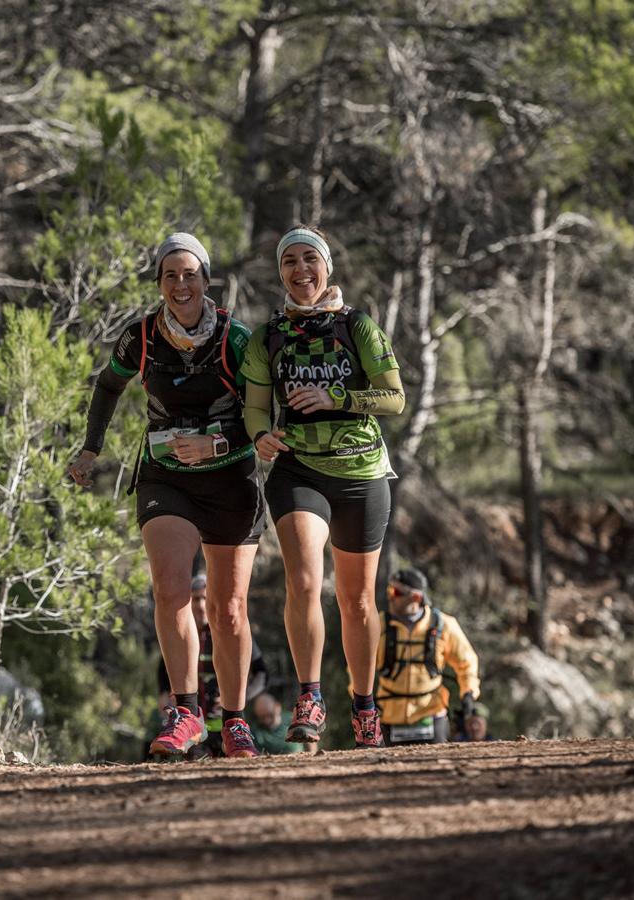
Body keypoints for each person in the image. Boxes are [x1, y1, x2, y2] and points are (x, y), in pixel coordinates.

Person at [71, 232, 265, 759]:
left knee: (227, 610)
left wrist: (217, 441)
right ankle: (186, 713)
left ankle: (235, 720)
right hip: (166, 477)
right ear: (159, 283)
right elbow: (108, 385)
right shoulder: (141, 338)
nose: (181, 284)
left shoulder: (238, 340)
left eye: (190, 274)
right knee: (170, 589)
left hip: (231, 479)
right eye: (170, 275)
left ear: (207, 279)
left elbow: (264, 419)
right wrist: (91, 450)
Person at [241, 224, 406, 749]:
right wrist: (260, 435)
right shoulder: (269, 337)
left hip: (361, 472)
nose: (300, 270)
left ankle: (364, 706)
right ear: (281, 273)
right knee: (306, 582)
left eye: (310, 259)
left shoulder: (358, 327)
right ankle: (310, 696)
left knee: (357, 600)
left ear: (327, 268)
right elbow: (252, 407)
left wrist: (337, 396)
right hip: (298, 470)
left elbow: (394, 399)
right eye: (289, 261)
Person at [153, 572, 270, 758]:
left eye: (205, 598)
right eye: (195, 599)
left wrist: (241, 696)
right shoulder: (180, 636)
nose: (200, 606)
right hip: (194, 731)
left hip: (226, 726)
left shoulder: (230, 634)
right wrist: (164, 694)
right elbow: (164, 669)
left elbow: (262, 674)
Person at [376, 567, 482, 746]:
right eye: (389, 590)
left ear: (416, 598)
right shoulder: (379, 625)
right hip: (388, 714)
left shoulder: (444, 625)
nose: (390, 596)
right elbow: (358, 666)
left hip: (431, 715)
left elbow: (466, 662)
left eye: (396, 592)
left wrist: (468, 694)